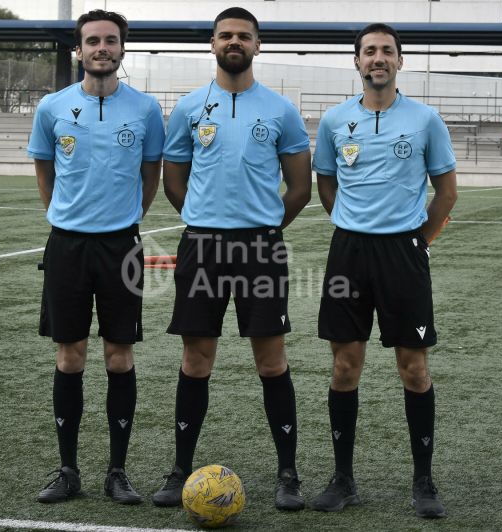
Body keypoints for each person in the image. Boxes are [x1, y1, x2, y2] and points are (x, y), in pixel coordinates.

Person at [151, 6, 312, 511]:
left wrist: (260, 227)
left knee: (271, 359)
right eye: (226, 35)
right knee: (196, 358)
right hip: (201, 246)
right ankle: (180, 468)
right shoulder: (189, 108)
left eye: (244, 36)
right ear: (213, 44)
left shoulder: (281, 110)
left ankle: (288, 473)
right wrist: (206, 219)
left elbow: (301, 187)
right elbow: (172, 180)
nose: (234, 42)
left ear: (258, 45)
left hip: (261, 248)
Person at [310, 23, 457, 518]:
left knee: (413, 369)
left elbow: (447, 192)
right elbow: (325, 184)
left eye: (387, 51)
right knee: (344, 366)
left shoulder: (425, 119)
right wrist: (354, 227)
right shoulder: (333, 121)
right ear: (356, 61)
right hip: (349, 252)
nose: (378, 58)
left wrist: (417, 242)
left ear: (400, 61)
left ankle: (424, 482)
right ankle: (343, 479)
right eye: (369, 51)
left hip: (403, 255)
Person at [27, 9, 164, 505]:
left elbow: (151, 174)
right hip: (67, 246)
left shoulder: (146, 110)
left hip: (120, 245)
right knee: (70, 355)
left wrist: (126, 218)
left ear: (122, 50)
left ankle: (118, 470)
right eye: (92, 41)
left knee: (119, 355)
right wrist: (62, 215)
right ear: (78, 51)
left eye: (110, 41)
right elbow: (44, 168)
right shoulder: (53, 107)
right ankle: (68, 469)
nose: (101, 48)